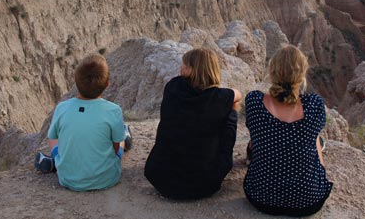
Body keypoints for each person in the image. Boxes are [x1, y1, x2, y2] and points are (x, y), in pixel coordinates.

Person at [243, 45, 332, 216]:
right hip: (308, 201)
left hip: (261, 198)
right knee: (315, 139)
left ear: (272, 71)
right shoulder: (314, 105)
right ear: (301, 74)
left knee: (259, 135)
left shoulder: (254, 101)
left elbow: (255, 137)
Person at [144, 48, 241, 199]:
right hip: (204, 184)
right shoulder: (220, 97)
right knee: (232, 109)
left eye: (185, 65)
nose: (181, 67)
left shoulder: (173, 86)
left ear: (193, 69)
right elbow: (238, 94)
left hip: (160, 178)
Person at [34, 53, 132, 191]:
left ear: (76, 82)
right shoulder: (113, 111)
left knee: (53, 138)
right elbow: (115, 149)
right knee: (119, 140)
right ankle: (125, 136)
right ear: (107, 84)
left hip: (67, 178)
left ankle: (56, 162)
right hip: (106, 178)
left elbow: (53, 136)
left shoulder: (62, 107)